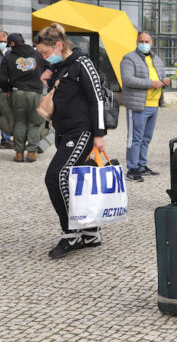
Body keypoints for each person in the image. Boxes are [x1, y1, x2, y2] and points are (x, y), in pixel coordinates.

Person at [34, 23, 107, 259]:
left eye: (45, 53)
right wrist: (48, 76)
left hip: (81, 132)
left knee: (55, 176)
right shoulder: (61, 67)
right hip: (64, 132)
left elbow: (96, 98)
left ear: (58, 45)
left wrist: (99, 134)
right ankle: (91, 232)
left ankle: (71, 232)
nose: (45, 57)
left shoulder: (82, 63)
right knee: (75, 182)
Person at [119, 32, 168, 181]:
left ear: (152, 43)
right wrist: (150, 83)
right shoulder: (129, 58)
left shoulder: (157, 59)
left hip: (154, 104)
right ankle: (132, 168)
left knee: (146, 138)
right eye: (141, 41)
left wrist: (164, 81)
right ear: (137, 42)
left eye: (147, 41)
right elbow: (127, 80)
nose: (144, 43)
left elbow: (161, 76)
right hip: (138, 104)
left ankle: (141, 165)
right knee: (135, 138)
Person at [0, 33, 45, 163]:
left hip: (17, 92)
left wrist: (7, 89)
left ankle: (19, 154)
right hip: (35, 93)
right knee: (34, 123)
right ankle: (31, 153)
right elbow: (47, 67)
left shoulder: (9, 56)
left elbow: (2, 77)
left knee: (19, 122)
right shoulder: (36, 54)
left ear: (12, 43)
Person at [0, 30, 12, 149]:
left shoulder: (9, 54)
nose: (3, 43)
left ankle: (5, 139)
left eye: (4, 41)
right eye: (0, 41)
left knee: (5, 114)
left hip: (4, 89)